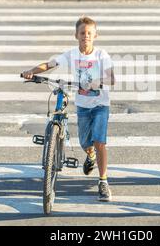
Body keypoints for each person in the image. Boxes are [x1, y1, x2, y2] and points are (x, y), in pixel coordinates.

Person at [22, 16, 115, 202]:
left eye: (89, 33)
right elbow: (49, 65)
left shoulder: (101, 55)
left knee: (99, 142)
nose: (86, 36)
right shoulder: (71, 54)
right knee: (85, 143)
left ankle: (103, 181)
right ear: (76, 35)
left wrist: (96, 82)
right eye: (82, 33)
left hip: (100, 105)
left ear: (96, 35)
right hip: (82, 106)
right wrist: (32, 71)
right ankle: (90, 156)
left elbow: (111, 79)